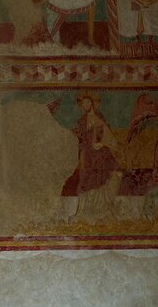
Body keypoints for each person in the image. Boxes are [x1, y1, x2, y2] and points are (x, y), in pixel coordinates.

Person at [61, 91, 120, 220]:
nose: (85, 105)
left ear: (92, 103)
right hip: (87, 155)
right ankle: (82, 210)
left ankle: (101, 209)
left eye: (88, 102)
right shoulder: (82, 121)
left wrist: (102, 143)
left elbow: (105, 137)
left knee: (101, 179)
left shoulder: (99, 119)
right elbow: (79, 137)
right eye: (83, 103)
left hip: (100, 155)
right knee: (85, 179)